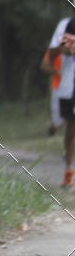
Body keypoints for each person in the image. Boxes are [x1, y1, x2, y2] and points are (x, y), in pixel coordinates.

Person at [48, 13, 75, 186]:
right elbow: (53, 52)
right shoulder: (67, 25)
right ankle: (69, 171)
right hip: (70, 85)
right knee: (71, 130)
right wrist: (65, 49)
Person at [40, 46, 64, 136]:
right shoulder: (55, 49)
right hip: (58, 87)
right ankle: (52, 131)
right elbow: (44, 65)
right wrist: (57, 71)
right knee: (57, 120)